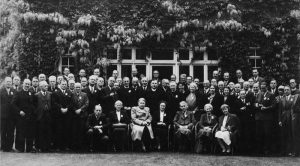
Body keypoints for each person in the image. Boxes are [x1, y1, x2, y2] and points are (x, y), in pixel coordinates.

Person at [12, 79, 36, 152]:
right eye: (26, 84)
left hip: (30, 117)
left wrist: (33, 111)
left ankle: (29, 148)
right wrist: (19, 111)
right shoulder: (18, 93)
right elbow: (13, 104)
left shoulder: (31, 93)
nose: (27, 85)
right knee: (20, 133)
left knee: (30, 133)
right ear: (23, 84)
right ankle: (20, 148)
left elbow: (34, 104)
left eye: (28, 84)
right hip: (21, 117)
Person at [254, 82, 276, 155]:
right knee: (258, 134)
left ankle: (266, 150)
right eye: (261, 87)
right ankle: (259, 150)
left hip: (267, 118)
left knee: (267, 134)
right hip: (259, 118)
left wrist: (266, 108)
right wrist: (257, 105)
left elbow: (274, 106)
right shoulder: (258, 94)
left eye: (264, 87)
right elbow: (255, 103)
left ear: (267, 87)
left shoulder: (271, 94)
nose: (262, 88)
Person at [52, 80, 73, 151]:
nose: (64, 85)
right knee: (58, 130)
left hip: (67, 114)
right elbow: (54, 103)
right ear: (60, 84)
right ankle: (58, 146)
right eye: (63, 84)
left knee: (66, 130)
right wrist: (61, 108)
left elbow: (71, 103)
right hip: (58, 115)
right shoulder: (55, 93)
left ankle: (65, 146)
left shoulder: (70, 92)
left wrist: (67, 108)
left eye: (65, 84)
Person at [278, 86, 298, 156]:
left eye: (287, 90)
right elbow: (279, 110)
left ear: (290, 90)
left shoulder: (294, 98)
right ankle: (284, 151)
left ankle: (292, 151)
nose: (286, 91)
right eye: (285, 90)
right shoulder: (282, 99)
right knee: (284, 134)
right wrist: (279, 120)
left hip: (291, 117)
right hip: (283, 118)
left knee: (291, 134)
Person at [34, 81, 52, 152]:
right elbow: (34, 106)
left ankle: (47, 147)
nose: (46, 87)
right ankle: (41, 147)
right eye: (45, 86)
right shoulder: (36, 95)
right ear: (41, 87)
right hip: (40, 116)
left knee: (48, 132)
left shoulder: (50, 94)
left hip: (48, 116)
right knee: (40, 132)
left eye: (47, 86)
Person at [0, 77, 17, 152]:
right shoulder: (1, 91)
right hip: (3, 115)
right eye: (7, 82)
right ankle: (3, 146)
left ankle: (9, 147)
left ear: (12, 83)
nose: (8, 83)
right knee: (3, 131)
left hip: (12, 115)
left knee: (10, 132)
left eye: (10, 82)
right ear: (4, 82)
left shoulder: (15, 91)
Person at [71, 83, 89, 151]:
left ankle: (81, 146)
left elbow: (86, 103)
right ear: (74, 87)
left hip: (82, 116)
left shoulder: (85, 94)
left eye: (79, 87)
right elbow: (71, 104)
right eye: (76, 87)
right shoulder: (72, 94)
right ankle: (75, 147)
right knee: (75, 131)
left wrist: (80, 110)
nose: (77, 88)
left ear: (81, 87)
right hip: (75, 116)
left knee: (82, 131)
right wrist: (75, 110)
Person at [236, 90, 255, 154]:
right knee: (241, 134)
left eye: (244, 94)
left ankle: (248, 150)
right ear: (240, 95)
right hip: (240, 120)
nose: (243, 95)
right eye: (241, 94)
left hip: (248, 120)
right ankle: (241, 150)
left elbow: (252, 108)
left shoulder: (248, 101)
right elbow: (235, 110)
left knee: (247, 134)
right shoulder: (237, 101)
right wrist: (240, 109)